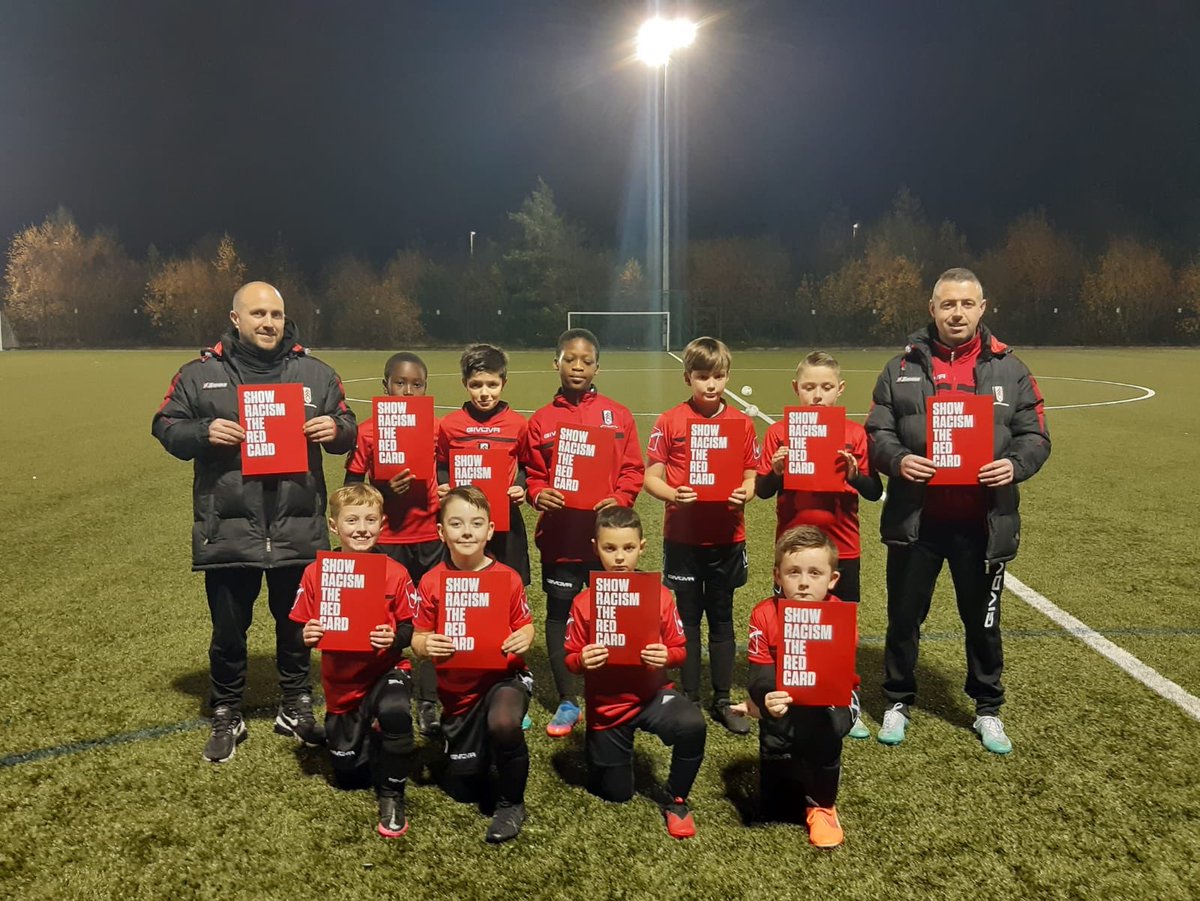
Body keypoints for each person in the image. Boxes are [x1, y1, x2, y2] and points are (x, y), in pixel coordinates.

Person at [152, 280, 357, 763]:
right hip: (229, 527)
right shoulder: (200, 375)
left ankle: (295, 703)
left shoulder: (317, 374)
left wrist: (336, 430)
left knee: (296, 626)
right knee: (228, 631)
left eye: (276, 315)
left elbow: (348, 425)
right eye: (258, 314)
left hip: (297, 525)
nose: (269, 323)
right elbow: (165, 426)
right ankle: (227, 708)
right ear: (235, 318)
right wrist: (203, 431)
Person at [866, 267, 1050, 754]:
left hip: (982, 523)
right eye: (948, 304)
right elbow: (876, 435)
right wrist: (900, 459)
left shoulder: (1010, 369)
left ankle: (987, 708)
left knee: (983, 621)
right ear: (932, 309)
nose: (957, 313)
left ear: (982, 308)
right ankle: (898, 699)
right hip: (916, 520)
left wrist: (1013, 466)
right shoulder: (899, 367)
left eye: (966, 304)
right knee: (904, 617)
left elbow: (1036, 436)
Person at [754, 350, 882, 739]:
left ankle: (843, 700)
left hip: (843, 549)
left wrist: (858, 476)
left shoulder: (856, 434)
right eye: (809, 387)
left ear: (840, 390)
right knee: (792, 628)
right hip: (793, 554)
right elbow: (761, 491)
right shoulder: (779, 433)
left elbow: (875, 491)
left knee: (839, 631)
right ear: (796, 389)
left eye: (826, 387)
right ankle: (793, 695)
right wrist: (776, 472)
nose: (817, 395)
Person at [524, 328, 645, 738]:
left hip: (606, 541)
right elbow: (532, 476)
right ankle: (567, 699)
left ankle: (610, 694)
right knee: (559, 616)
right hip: (560, 538)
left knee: (608, 615)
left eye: (586, 360)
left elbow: (633, 469)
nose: (577, 366)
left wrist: (617, 497)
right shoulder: (541, 420)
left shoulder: (619, 414)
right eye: (570, 359)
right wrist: (540, 495)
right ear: (556, 362)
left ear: (597, 366)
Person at [564, 506, 707, 839]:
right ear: (595, 546)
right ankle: (599, 747)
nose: (619, 558)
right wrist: (583, 659)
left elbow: (681, 651)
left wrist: (666, 655)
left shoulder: (660, 595)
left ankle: (677, 799)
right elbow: (570, 659)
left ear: (642, 547)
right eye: (610, 548)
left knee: (692, 724)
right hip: (608, 706)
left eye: (628, 548)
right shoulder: (584, 602)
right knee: (616, 793)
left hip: (652, 696)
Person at [288, 484, 420, 838]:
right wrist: (307, 635)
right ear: (334, 526)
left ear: (382, 524)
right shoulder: (317, 574)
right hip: (342, 683)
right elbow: (296, 633)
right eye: (352, 520)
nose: (361, 528)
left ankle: (393, 794)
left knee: (395, 711)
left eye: (370, 519)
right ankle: (350, 731)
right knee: (349, 776)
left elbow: (411, 626)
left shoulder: (395, 572)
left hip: (386, 671)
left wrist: (395, 637)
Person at [643, 336, 758, 734]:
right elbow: (650, 478)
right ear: (687, 377)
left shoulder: (741, 424)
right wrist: (675, 493)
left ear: (727, 377)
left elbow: (750, 472)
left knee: (723, 618)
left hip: (727, 538)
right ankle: (690, 697)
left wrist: (747, 489)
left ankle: (722, 698)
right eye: (702, 376)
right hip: (684, 539)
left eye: (718, 376)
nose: (711, 384)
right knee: (688, 619)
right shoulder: (669, 421)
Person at [411, 486, 536, 844]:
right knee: (463, 787)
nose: (467, 531)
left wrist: (525, 636)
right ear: (440, 532)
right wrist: (424, 644)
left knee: (504, 722)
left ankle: (512, 803)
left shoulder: (507, 578)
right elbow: (419, 636)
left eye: (476, 523)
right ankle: (480, 750)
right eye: (456, 523)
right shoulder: (433, 581)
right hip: (458, 694)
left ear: (490, 530)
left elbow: (526, 625)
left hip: (504, 680)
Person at [344, 351, 444, 739]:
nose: (406, 391)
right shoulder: (369, 432)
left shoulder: (437, 429)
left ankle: (430, 701)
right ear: (384, 385)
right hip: (386, 542)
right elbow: (352, 486)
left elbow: (452, 473)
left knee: (432, 621)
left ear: (425, 388)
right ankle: (381, 693)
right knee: (383, 622)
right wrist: (381, 489)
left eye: (416, 384)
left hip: (428, 538)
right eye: (399, 383)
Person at [746, 526, 860, 849]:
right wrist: (767, 695)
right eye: (794, 572)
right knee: (777, 804)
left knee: (824, 726)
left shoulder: (841, 615)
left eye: (815, 572)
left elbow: (835, 678)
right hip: (786, 696)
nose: (805, 582)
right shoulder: (763, 613)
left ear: (833, 579)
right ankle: (785, 779)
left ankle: (823, 806)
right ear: (778, 576)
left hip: (834, 698)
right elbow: (759, 672)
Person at [436, 343, 531, 584]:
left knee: (510, 584)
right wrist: (445, 485)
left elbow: (527, 465)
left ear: (504, 383)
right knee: (463, 583)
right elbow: (443, 463)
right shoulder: (450, 425)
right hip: (464, 521)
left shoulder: (518, 425)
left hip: (506, 519)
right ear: (465, 384)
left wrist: (521, 486)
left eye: (492, 384)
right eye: (476, 385)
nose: (484, 393)